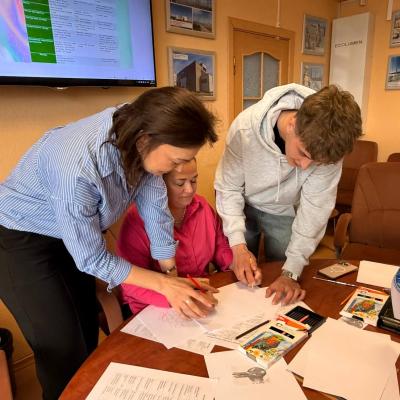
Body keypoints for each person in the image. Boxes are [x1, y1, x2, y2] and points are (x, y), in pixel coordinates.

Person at [0, 87, 219, 399]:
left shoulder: (138, 125)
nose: (176, 171)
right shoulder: (77, 167)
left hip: (71, 235)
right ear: (144, 140)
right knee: (63, 348)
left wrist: (172, 276)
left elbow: (155, 209)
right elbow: (91, 259)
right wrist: (164, 285)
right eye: (175, 161)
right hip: (20, 239)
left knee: (86, 329)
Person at [215, 83, 362, 306]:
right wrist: (237, 245)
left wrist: (290, 273)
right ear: (292, 123)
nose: (305, 166)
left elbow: (315, 210)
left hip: (285, 210)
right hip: (242, 204)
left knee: (284, 277)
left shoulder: (331, 148)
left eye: (316, 163)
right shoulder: (245, 129)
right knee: (238, 273)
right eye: (303, 153)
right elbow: (228, 187)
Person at [117, 158, 233, 315]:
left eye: (194, 180)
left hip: (201, 295)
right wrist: (176, 298)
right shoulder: (136, 221)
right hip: (155, 307)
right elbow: (131, 283)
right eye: (180, 183)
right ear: (159, 184)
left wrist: (236, 262)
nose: (190, 189)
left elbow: (220, 246)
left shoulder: (203, 207)